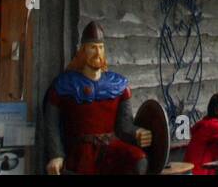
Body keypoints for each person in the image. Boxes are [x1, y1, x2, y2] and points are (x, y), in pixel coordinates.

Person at [44, 21, 153, 175]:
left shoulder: (118, 84)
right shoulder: (64, 85)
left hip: (111, 147)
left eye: (101, 48)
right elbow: (52, 124)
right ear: (83, 51)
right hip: (81, 151)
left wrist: (138, 132)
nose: (98, 53)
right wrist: (56, 155)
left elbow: (124, 127)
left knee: (138, 159)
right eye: (92, 47)